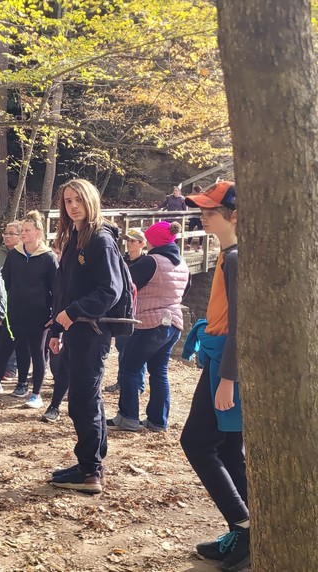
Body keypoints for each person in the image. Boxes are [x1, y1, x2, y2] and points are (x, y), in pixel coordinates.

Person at [178, 182, 247, 572]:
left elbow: (241, 323)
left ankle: (245, 525)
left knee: (198, 442)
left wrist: (227, 378)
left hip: (227, 364)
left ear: (234, 215)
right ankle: (246, 530)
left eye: (211, 210)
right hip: (221, 359)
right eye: (201, 209)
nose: (203, 215)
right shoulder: (227, 254)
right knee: (225, 448)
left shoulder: (236, 257)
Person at [46, 178, 123, 494]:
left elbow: (110, 291)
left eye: (78, 199)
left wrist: (73, 313)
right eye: (67, 201)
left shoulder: (100, 239)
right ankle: (90, 465)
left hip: (92, 332)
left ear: (90, 201)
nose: (73, 205)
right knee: (87, 398)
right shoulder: (75, 238)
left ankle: (90, 471)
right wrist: (57, 327)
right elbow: (63, 289)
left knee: (82, 400)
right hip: (74, 331)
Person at [107, 221, 191, 432]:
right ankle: (157, 420)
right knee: (159, 371)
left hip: (151, 322)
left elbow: (125, 283)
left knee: (129, 367)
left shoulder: (152, 261)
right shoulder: (182, 263)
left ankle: (128, 417)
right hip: (173, 323)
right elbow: (185, 290)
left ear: (152, 240)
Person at [0, 211, 57, 409]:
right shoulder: (15, 255)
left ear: (38, 233)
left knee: (37, 353)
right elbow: (4, 284)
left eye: (27, 230)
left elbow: (56, 289)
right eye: (22, 230)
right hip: (13, 315)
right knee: (2, 352)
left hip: (39, 316)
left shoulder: (49, 258)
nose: (23, 233)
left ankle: (36, 395)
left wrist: (54, 315)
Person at [104, 228, 148, 394]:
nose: (129, 244)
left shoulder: (146, 263)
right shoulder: (121, 260)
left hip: (140, 312)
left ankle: (138, 385)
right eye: (127, 240)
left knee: (136, 352)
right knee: (122, 349)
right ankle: (121, 382)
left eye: (133, 241)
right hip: (123, 311)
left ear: (142, 244)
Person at [0, 221, 21, 382]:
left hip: (16, 303)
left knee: (14, 336)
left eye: (11, 234)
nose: (7, 237)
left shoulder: (23, 254)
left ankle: (11, 369)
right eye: (5, 233)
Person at [185, 185, 205, 251]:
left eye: (194, 190)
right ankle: (188, 244)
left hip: (199, 216)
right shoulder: (192, 196)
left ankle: (200, 245)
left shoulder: (202, 197)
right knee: (190, 229)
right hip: (192, 216)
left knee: (200, 229)